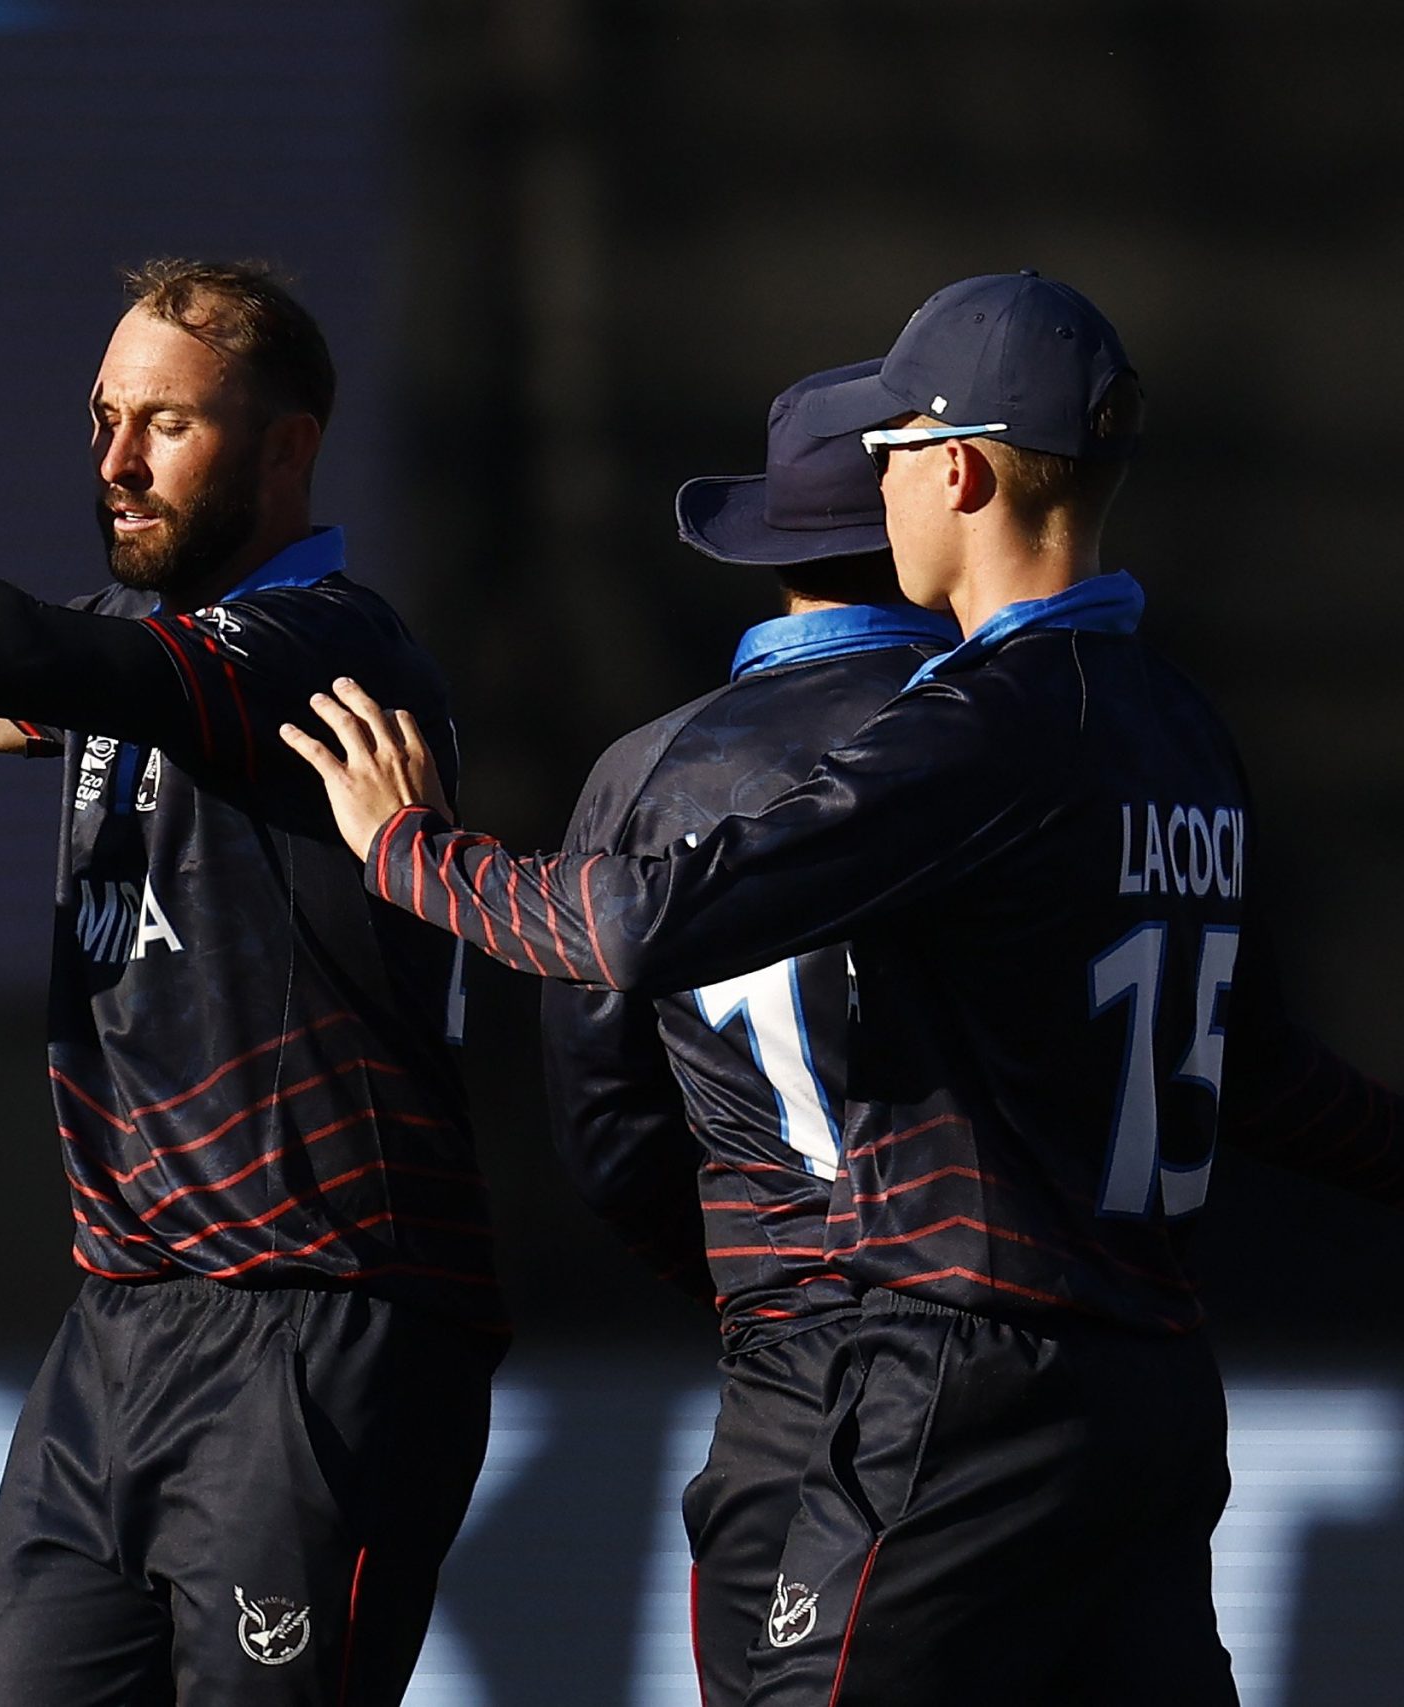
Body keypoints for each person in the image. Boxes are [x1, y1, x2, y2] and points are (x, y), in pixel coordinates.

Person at [286, 272, 1404, 1705]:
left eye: (888, 462)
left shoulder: (988, 727)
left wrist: (405, 846)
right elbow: (1259, 1073)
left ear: (957, 466)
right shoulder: (1179, 726)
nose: (876, 502)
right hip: (1153, 1398)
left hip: (959, 1388)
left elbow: (641, 922)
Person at [0, 218, 499, 1703]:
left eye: (167, 425)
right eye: (103, 420)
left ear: (286, 452)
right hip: (123, 1328)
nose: (116, 462)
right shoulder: (140, 644)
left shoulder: (323, 650)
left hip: (317, 1321)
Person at [539, 361, 954, 1707]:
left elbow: (607, 1131)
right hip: (1037, 1361)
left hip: (803, 1383)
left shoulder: (648, 775)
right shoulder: (1025, 736)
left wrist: (746, 1281)